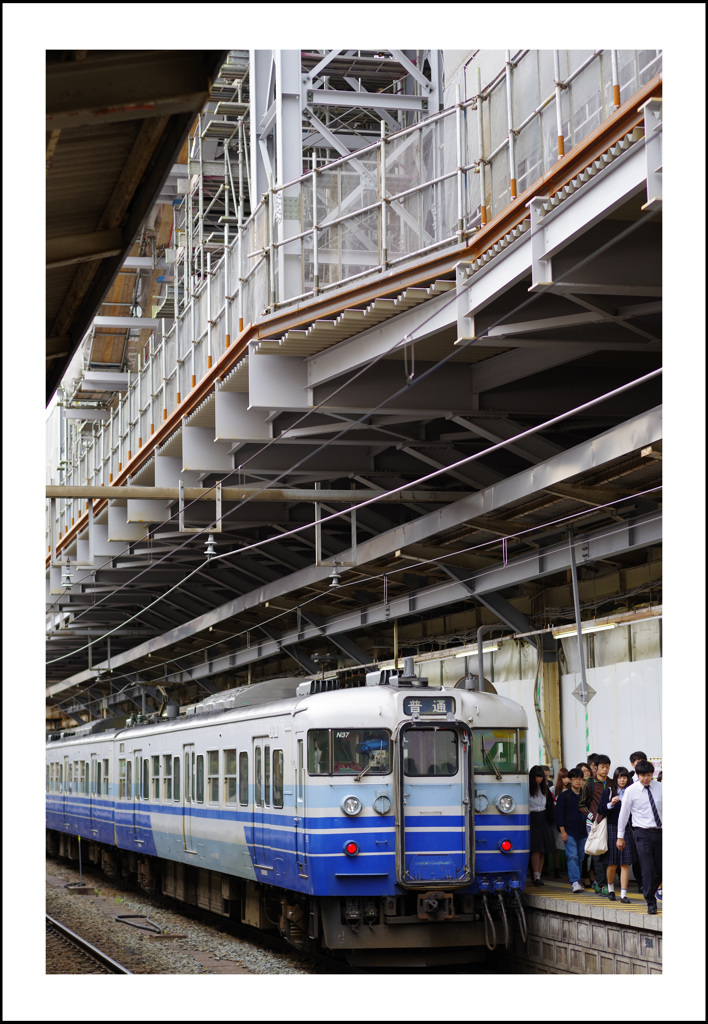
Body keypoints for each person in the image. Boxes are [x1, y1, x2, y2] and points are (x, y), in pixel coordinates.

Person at [617, 759, 662, 914]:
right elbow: (624, 815)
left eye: (649, 775)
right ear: (637, 775)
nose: (646, 778)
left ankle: (652, 890)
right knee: (647, 867)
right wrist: (620, 836)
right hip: (642, 833)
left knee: (660, 868)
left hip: (661, 832)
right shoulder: (631, 790)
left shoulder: (661, 788)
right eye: (642, 775)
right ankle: (650, 901)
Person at [597, 767, 636, 903]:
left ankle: (623, 894)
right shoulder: (608, 791)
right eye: (619, 777)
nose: (622, 780)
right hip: (612, 828)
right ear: (615, 778)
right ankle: (611, 888)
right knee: (612, 864)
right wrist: (610, 804)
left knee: (625, 863)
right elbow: (600, 809)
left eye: (624, 777)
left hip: (626, 829)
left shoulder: (631, 792)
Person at [579, 754, 611, 894]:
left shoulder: (611, 782)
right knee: (597, 853)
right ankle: (600, 884)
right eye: (602, 767)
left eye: (607, 767)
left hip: (609, 822)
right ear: (596, 768)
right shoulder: (590, 784)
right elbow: (582, 804)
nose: (605, 770)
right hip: (594, 823)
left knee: (608, 853)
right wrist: (590, 815)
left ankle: (605, 883)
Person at [555, 768, 588, 894]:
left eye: (580, 779)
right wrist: (562, 832)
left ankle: (577, 881)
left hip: (583, 831)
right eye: (575, 779)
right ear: (570, 780)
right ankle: (574, 882)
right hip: (569, 831)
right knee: (572, 856)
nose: (578, 781)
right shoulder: (564, 796)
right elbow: (559, 815)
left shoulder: (584, 796)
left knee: (580, 857)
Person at [528, 765, 556, 885]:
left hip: (544, 818)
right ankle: (535, 875)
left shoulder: (545, 789)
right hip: (532, 818)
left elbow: (550, 803)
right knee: (536, 849)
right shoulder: (527, 789)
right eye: (537, 777)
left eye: (541, 777)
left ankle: (539, 875)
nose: (539, 779)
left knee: (543, 848)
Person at [552, 769, 571, 877]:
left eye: (568, 777)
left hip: (568, 821)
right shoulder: (554, 789)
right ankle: (556, 868)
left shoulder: (572, 790)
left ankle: (569, 868)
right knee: (557, 847)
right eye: (564, 777)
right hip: (558, 822)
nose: (566, 780)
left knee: (569, 846)